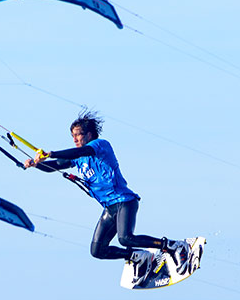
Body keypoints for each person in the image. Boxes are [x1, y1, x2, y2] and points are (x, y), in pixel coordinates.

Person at [23, 112, 189, 279]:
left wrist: (51, 153)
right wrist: (35, 164)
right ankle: (138, 257)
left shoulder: (100, 145)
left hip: (125, 202)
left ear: (89, 134)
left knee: (125, 239)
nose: (74, 139)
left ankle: (173, 246)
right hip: (109, 208)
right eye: (72, 136)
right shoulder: (78, 158)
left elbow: (79, 152)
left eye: (78, 135)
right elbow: (54, 166)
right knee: (97, 251)